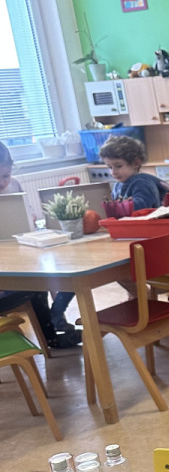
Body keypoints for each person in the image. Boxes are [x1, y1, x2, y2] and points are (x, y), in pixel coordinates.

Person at [0, 141, 80, 348]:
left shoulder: (14, 185)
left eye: (5, 175)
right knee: (36, 287)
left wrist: (32, 219)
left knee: (55, 268)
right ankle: (51, 336)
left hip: (18, 251)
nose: (2, 182)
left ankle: (57, 318)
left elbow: (29, 213)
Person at [98, 134, 167, 209]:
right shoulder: (118, 185)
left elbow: (141, 207)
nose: (113, 172)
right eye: (110, 167)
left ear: (136, 163)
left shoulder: (143, 184)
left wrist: (116, 206)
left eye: (118, 166)